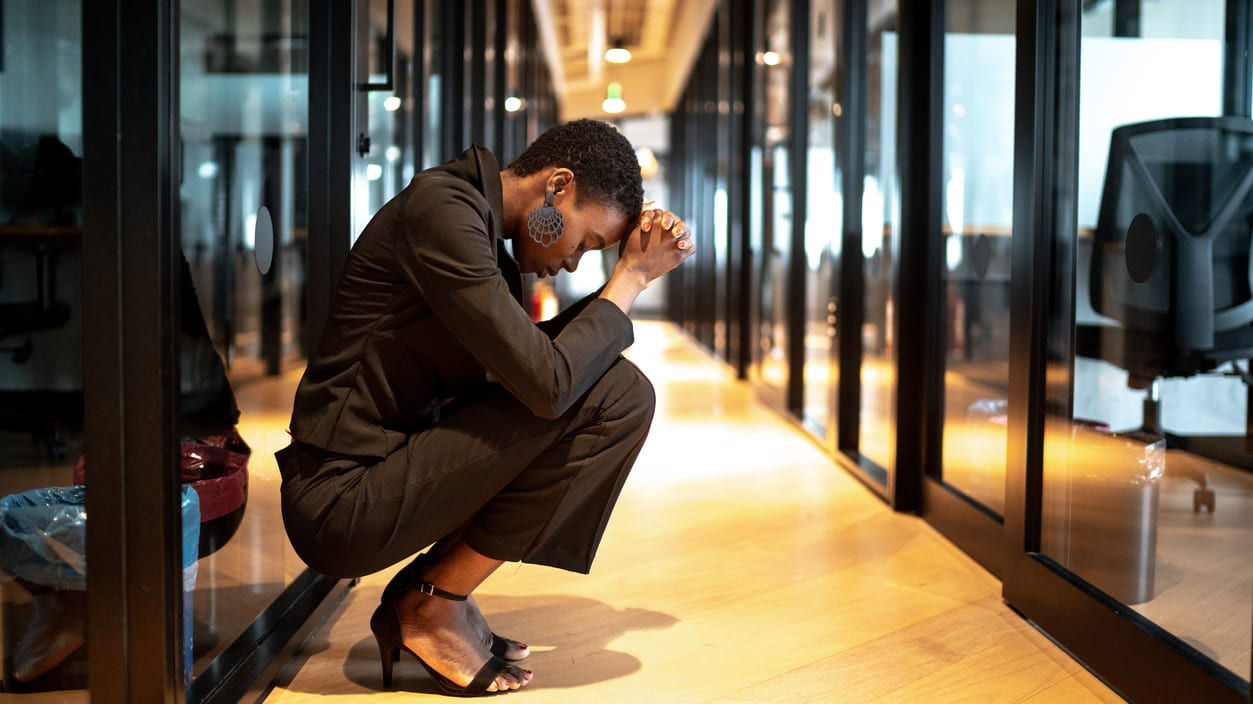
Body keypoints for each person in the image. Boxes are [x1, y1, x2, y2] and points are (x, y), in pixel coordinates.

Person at [275, 119, 694, 696]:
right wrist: (631, 279)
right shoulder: (443, 215)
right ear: (558, 187)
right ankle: (432, 605)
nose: (575, 262)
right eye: (587, 242)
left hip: (388, 472)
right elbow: (548, 384)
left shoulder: (478, 230)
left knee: (619, 391)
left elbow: (537, 370)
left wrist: (627, 272)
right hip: (340, 500)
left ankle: (436, 594)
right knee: (616, 395)